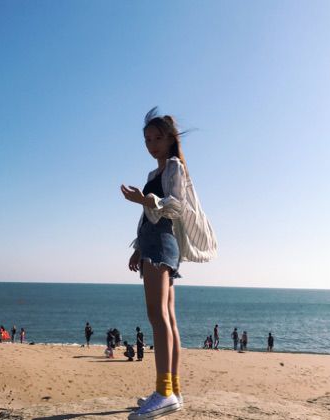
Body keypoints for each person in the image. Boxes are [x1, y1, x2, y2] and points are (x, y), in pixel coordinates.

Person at [122, 107, 217, 419]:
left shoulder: (174, 166)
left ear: (170, 139)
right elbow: (149, 216)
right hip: (153, 242)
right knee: (168, 318)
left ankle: (164, 393)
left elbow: (175, 207)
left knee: (157, 315)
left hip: (163, 242)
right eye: (147, 140)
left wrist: (145, 199)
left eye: (157, 139)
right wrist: (138, 247)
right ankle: (173, 389)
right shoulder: (155, 174)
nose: (152, 145)